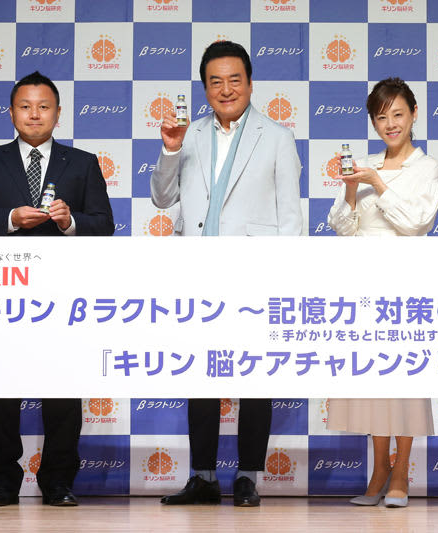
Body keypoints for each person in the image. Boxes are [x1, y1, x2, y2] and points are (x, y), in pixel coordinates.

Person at [150, 41, 302, 507]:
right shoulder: (189, 134)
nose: (226, 89)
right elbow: (161, 198)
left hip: (256, 276)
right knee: (201, 376)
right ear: (205, 88)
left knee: (255, 378)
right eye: (215, 81)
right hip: (198, 276)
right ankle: (203, 477)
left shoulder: (276, 137)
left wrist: (283, 280)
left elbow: (290, 217)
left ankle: (248, 476)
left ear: (250, 84)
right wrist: (170, 150)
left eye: (235, 79)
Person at [0, 71, 115, 507]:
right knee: (1, 392)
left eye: (44, 107)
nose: (34, 114)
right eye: (25, 107)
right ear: (11, 113)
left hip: (63, 297)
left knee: (62, 393)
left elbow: (105, 224)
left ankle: (59, 482)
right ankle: (2, 484)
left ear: (58, 114)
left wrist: (69, 222)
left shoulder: (82, 163)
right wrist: (10, 219)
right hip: (3, 295)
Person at [326, 78, 438, 508]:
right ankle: (377, 471)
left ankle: (401, 472)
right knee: (375, 377)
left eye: (398, 114)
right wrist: (351, 187)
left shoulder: (427, 167)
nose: (390, 124)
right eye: (381, 117)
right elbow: (342, 227)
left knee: (405, 378)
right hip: (363, 284)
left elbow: (416, 222)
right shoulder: (365, 165)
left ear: (413, 114)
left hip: (406, 284)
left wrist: (377, 181)